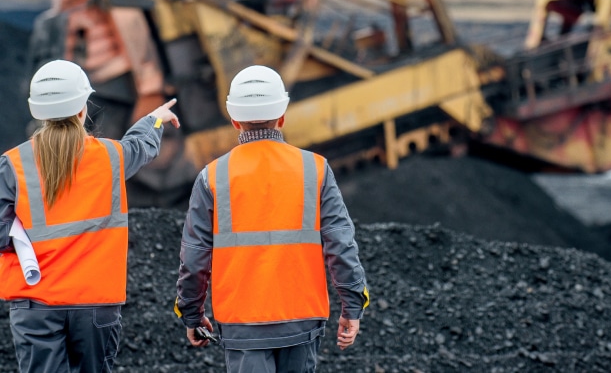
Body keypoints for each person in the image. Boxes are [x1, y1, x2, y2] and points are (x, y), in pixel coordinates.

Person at [175, 64, 369, 373]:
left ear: (233, 119)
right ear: (282, 116)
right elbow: (341, 244)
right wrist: (352, 305)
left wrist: (192, 315)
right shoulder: (314, 169)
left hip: (242, 323)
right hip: (301, 319)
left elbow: (195, 257)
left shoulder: (212, 176)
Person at [0, 59, 180, 373]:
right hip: (94, 304)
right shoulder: (111, 158)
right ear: (83, 109)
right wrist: (155, 118)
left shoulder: (13, 164)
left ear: (37, 111)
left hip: (35, 304)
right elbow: (141, 146)